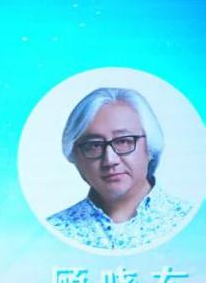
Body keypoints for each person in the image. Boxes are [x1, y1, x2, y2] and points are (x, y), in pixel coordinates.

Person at [47, 87, 195, 251]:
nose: (110, 160)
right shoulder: (53, 232)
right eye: (94, 145)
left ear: (150, 148)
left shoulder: (192, 223)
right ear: (75, 156)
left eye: (123, 141)